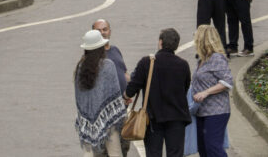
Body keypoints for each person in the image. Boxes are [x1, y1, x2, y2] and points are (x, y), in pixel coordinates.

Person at [125, 28, 191, 157]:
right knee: (175, 153)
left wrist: (125, 96)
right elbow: (185, 88)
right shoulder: (183, 65)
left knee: (153, 153)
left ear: (160, 42)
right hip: (177, 117)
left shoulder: (147, 63)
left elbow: (133, 87)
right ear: (176, 45)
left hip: (154, 119)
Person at [75, 30, 127, 157]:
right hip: (109, 119)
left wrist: (85, 116)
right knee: (115, 152)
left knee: (89, 152)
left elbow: (78, 96)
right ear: (101, 47)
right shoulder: (108, 66)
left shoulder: (80, 67)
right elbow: (115, 94)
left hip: (86, 121)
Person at [191, 25, 233, 157]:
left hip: (216, 111)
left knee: (213, 148)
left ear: (203, 40)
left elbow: (227, 81)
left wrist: (206, 92)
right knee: (203, 149)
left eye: (196, 38)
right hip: (201, 111)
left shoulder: (217, 58)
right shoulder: (202, 60)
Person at [92, 19, 131, 157]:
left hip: (121, 111)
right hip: (104, 116)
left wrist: (130, 91)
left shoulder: (115, 50)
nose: (102, 33)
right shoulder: (93, 55)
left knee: (124, 147)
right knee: (104, 152)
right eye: (98, 30)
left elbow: (124, 73)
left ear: (110, 31)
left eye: (105, 29)